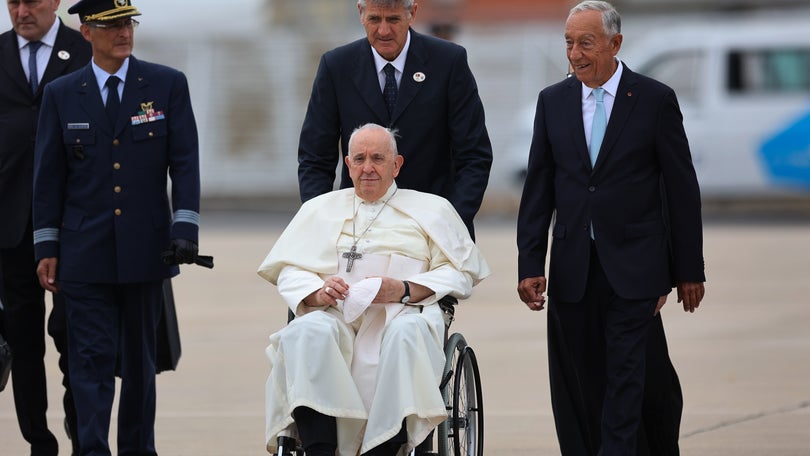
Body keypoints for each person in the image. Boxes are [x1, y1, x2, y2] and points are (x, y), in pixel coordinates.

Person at [516, 2, 706, 455]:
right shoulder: (553, 101)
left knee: (626, 377)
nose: (575, 54)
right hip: (573, 268)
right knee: (582, 382)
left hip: (637, 270)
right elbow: (539, 187)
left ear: (615, 44)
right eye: (568, 43)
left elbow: (681, 189)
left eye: (585, 43)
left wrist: (689, 269)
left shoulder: (654, 99)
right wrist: (529, 263)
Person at [31, 0, 202, 454]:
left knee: (141, 365)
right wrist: (46, 244)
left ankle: (137, 450)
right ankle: (91, 450)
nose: (123, 33)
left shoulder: (165, 85)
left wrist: (184, 227)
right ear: (86, 32)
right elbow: (48, 177)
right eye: (110, 26)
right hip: (83, 252)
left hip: (146, 251)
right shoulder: (62, 94)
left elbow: (184, 164)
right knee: (89, 363)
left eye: (127, 23)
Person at [258, 123, 489, 456]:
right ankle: (320, 446)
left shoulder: (432, 209)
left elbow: (459, 274)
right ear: (347, 165)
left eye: (378, 158)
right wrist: (318, 291)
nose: (368, 167)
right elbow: (290, 271)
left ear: (396, 165)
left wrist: (405, 288)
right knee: (306, 331)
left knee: (406, 335)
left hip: (401, 314)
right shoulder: (318, 209)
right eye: (359, 158)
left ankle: (385, 445)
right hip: (336, 315)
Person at [297, 0, 492, 239]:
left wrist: (450, 221)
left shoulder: (448, 62)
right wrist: (323, 224)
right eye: (374, 20)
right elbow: (315, 159)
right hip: (357, 231)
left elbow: (474, 155)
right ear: (360, 13)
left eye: (393, 20)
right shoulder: (336, 67)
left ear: (412, 14)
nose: (384, 31)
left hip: (435, 230)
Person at [0, 0, 91, 453]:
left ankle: (82, 435)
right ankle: (38, 440)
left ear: (54, 2)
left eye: (31, 1)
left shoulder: (86, 49)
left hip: (73, 223)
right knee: (22, 339)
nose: (21, 11)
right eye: (12, 2)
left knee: (73, 337)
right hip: (10, 226)